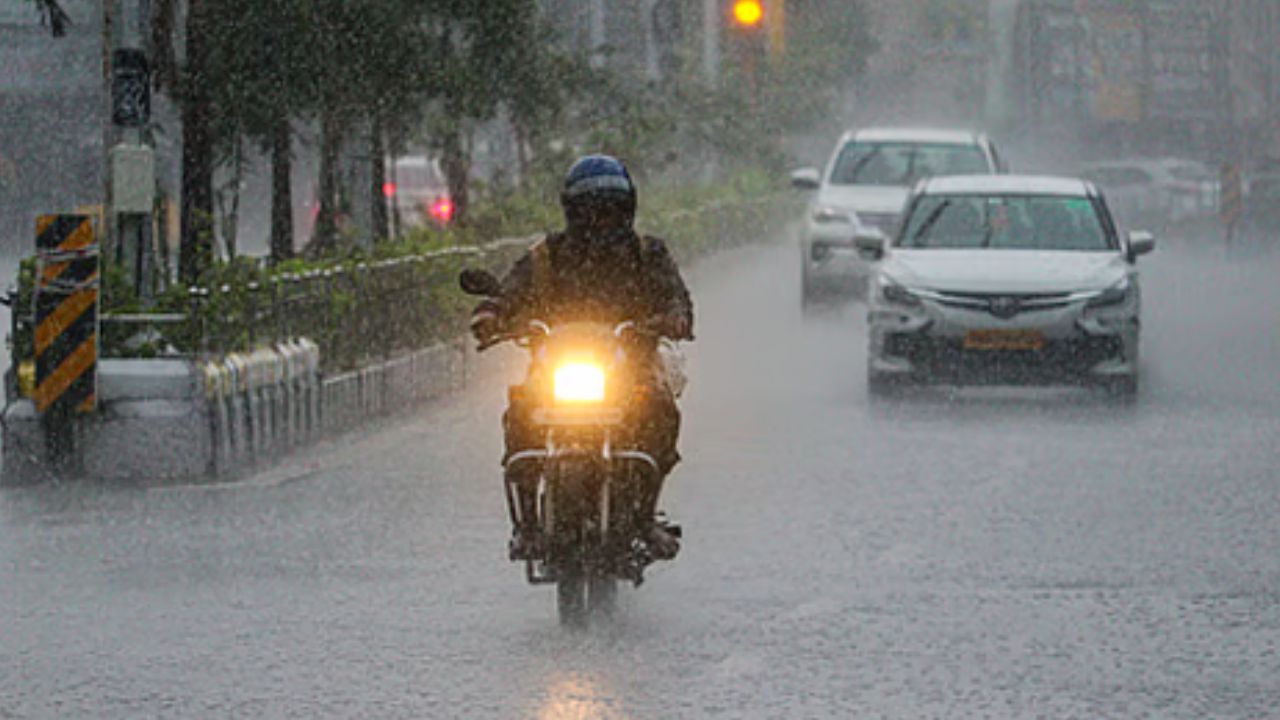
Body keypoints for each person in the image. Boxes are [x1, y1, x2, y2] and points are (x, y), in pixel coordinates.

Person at [469, 155, 693, 561]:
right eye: (590, 211)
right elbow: (509, 290)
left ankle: (643, 516)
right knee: (520, 411)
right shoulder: (546, 257)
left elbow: (676, 298)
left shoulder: (647, 254)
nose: (600, 221)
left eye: (609, 210)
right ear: (573, 212)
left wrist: (674, 318)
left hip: (631, 367)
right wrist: (491, 313)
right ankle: (528, 525)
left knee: (661, 411)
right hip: (556, 367)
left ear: (627, 210)